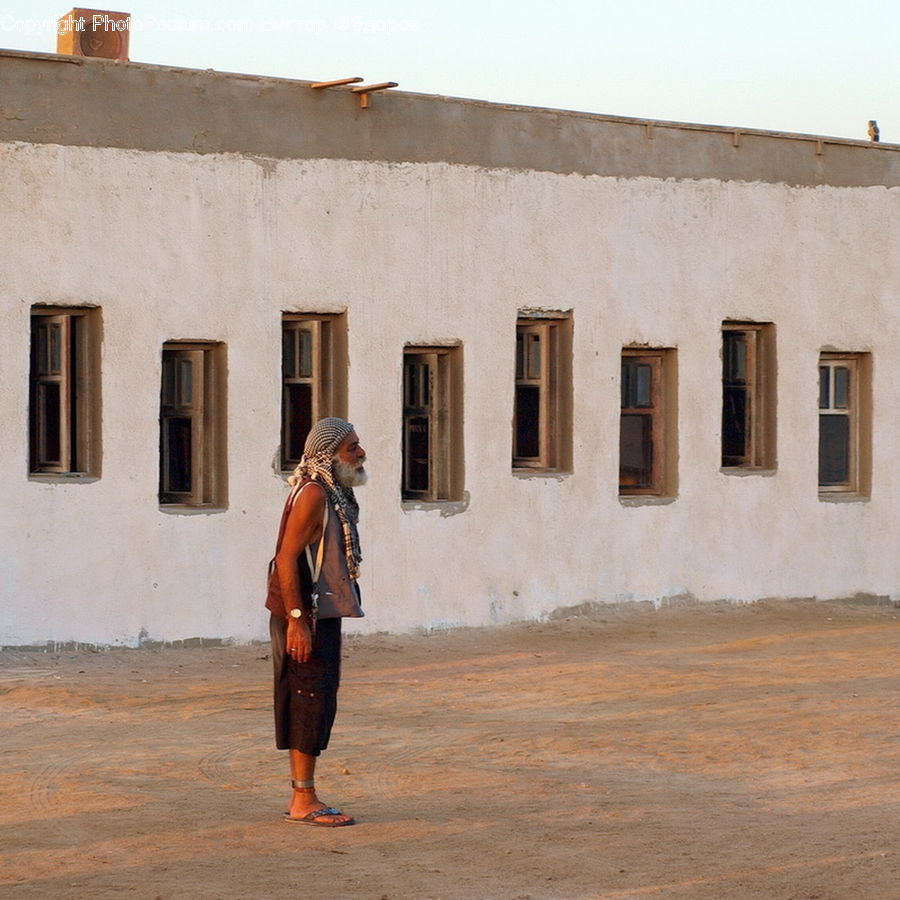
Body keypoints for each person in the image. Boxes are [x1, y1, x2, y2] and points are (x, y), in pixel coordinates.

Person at [267, 417, 367, 826]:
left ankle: (304, 794)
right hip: (303, 613)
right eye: (351, 448)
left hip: (316, 612)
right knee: (308, 699)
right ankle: (303, 800)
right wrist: (296, 620)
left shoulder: (330, 492)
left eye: (358, 445)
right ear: (328, 455)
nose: (360, 454)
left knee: (317, 697)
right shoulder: (312, 495)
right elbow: (287, 558)